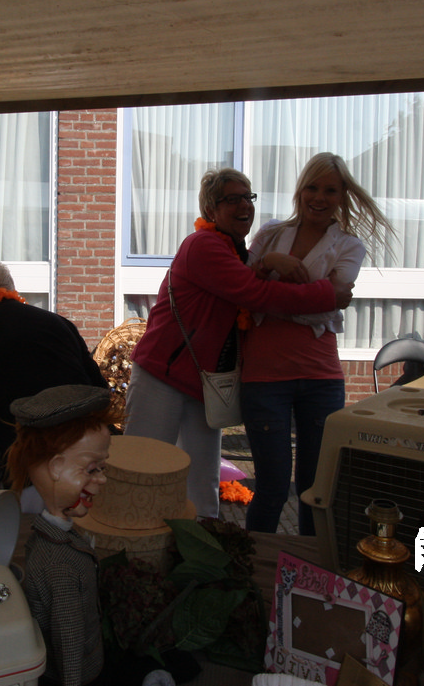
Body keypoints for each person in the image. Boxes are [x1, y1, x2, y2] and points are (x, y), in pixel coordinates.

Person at [126, 168, 351, 519]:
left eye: (248, 197)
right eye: (233, 199)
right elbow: (255, 293)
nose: (245, 205)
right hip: (162, 375)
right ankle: (127, 538)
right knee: (142, 468)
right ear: (211, 210)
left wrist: (267, 262)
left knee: (203, 478)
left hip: (204, 382)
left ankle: (202, 543)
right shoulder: (203, 245)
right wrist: (328, 295)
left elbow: (250, 279)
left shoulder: (236, 252)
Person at [241, 153, 394, 535]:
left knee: (316, 490)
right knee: (272, 487)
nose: (319, 197)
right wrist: (273, 264)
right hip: (264, 377)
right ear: (300, 190)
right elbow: (244, 292)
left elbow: (333, 299)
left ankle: (310, 565)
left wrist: (272, 293)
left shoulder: (350, 245)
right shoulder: (270, 235)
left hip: (320, 378)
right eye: (312, 187)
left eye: (330, 190)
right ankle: (252, 564)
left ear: (343, 196)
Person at [0, 260, 108, 482]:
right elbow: (98, 388)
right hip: (79, 448)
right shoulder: (60, 324)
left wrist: (4, 456)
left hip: (22, 459)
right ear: (12, 289)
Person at [4, 384, 112, 686]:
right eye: (91, 469)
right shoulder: (60, 565)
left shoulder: (50, 538)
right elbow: (69, 642)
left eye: (102, 468)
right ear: (55, 468)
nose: (102, 479)